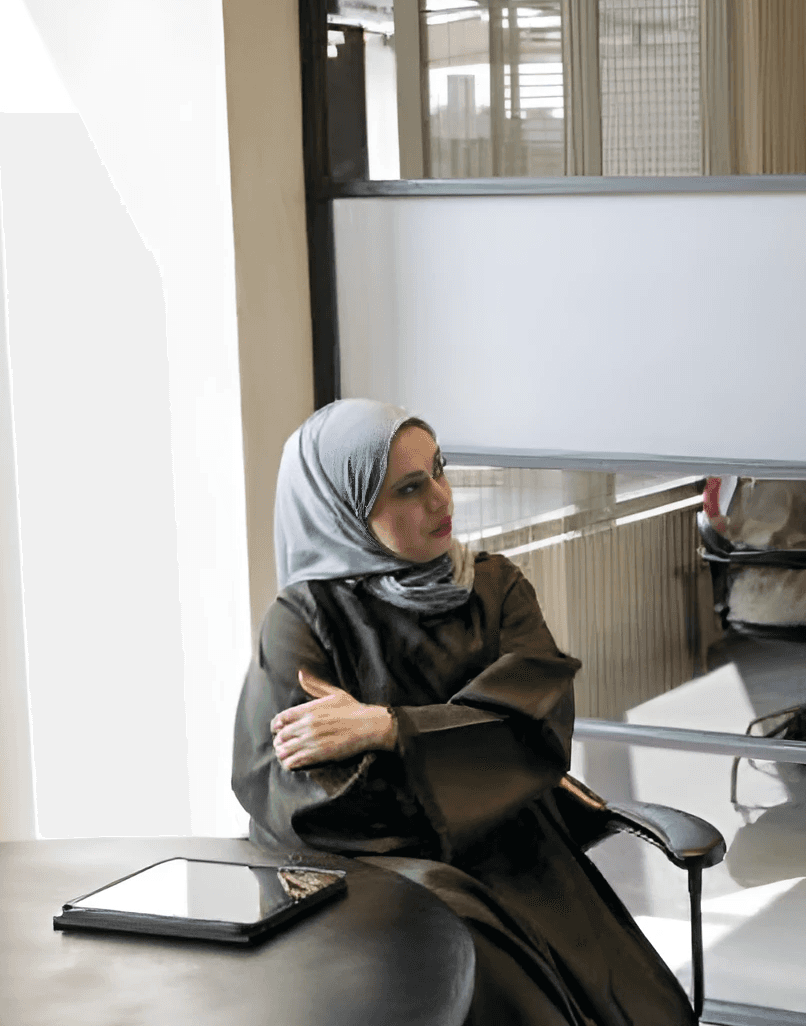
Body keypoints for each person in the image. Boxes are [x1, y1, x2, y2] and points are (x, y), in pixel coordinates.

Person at [231, 399, 694, 1026]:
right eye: (410, 487)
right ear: (345, 508)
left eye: (440, 471)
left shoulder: (495, 587)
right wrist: (464, 771)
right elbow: (299, 796)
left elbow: (534, 726)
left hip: (517, 852)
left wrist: (388, 729)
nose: (442, 500)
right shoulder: (303, 621)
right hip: (387, 878)